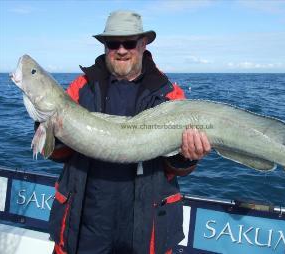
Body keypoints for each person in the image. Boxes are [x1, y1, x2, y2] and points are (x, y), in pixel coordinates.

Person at [48, 10, 210, 254]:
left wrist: (187, 155)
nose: (121, 50)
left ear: (143, 44)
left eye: (129, 42)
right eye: (114, 43)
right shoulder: (80, 88)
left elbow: (177, 169)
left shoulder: (168, 95)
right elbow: (57, 153)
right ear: (105, 46)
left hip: (145, 226)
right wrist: (46, 127)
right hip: (86, 223)